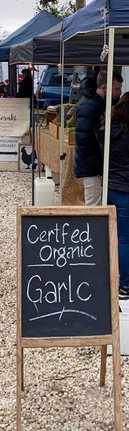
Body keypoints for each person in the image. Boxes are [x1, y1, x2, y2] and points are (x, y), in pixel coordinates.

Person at [75, 69, 123, 206]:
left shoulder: (97, 103)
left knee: (97, 203)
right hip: (91, 165)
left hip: (94, 163)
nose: (119, 92)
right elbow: (85, 139)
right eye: (117, 88)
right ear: (104, 87)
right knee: (93, 206)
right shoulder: (91, 105)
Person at [104, 101, 129, 299]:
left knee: (112, 235)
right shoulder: (126, 135)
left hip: (110, 186)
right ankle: (125, 285)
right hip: (124, 190)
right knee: (124, 238)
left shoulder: (107, 132)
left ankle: (109, 277)